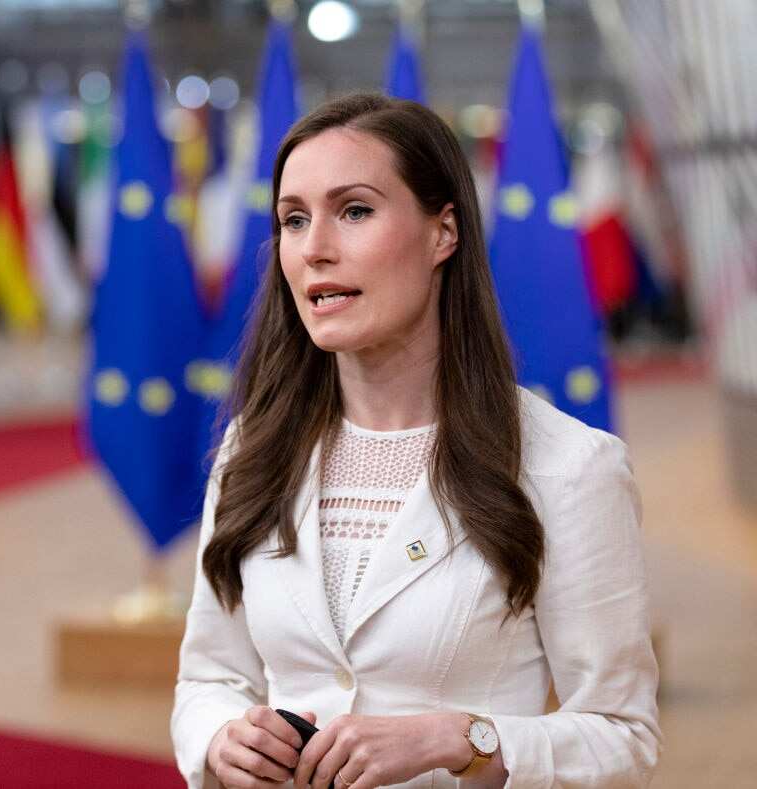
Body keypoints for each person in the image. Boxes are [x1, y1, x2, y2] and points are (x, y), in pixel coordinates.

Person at [171, 93, 661, 789]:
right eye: (293, 219)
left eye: (354, 211)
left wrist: (460, 740)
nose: (315, 248)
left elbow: (624, 737)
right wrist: (223, 739)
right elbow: (208, 677)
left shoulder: (570, 467)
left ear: (443, 233)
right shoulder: (253, 447)